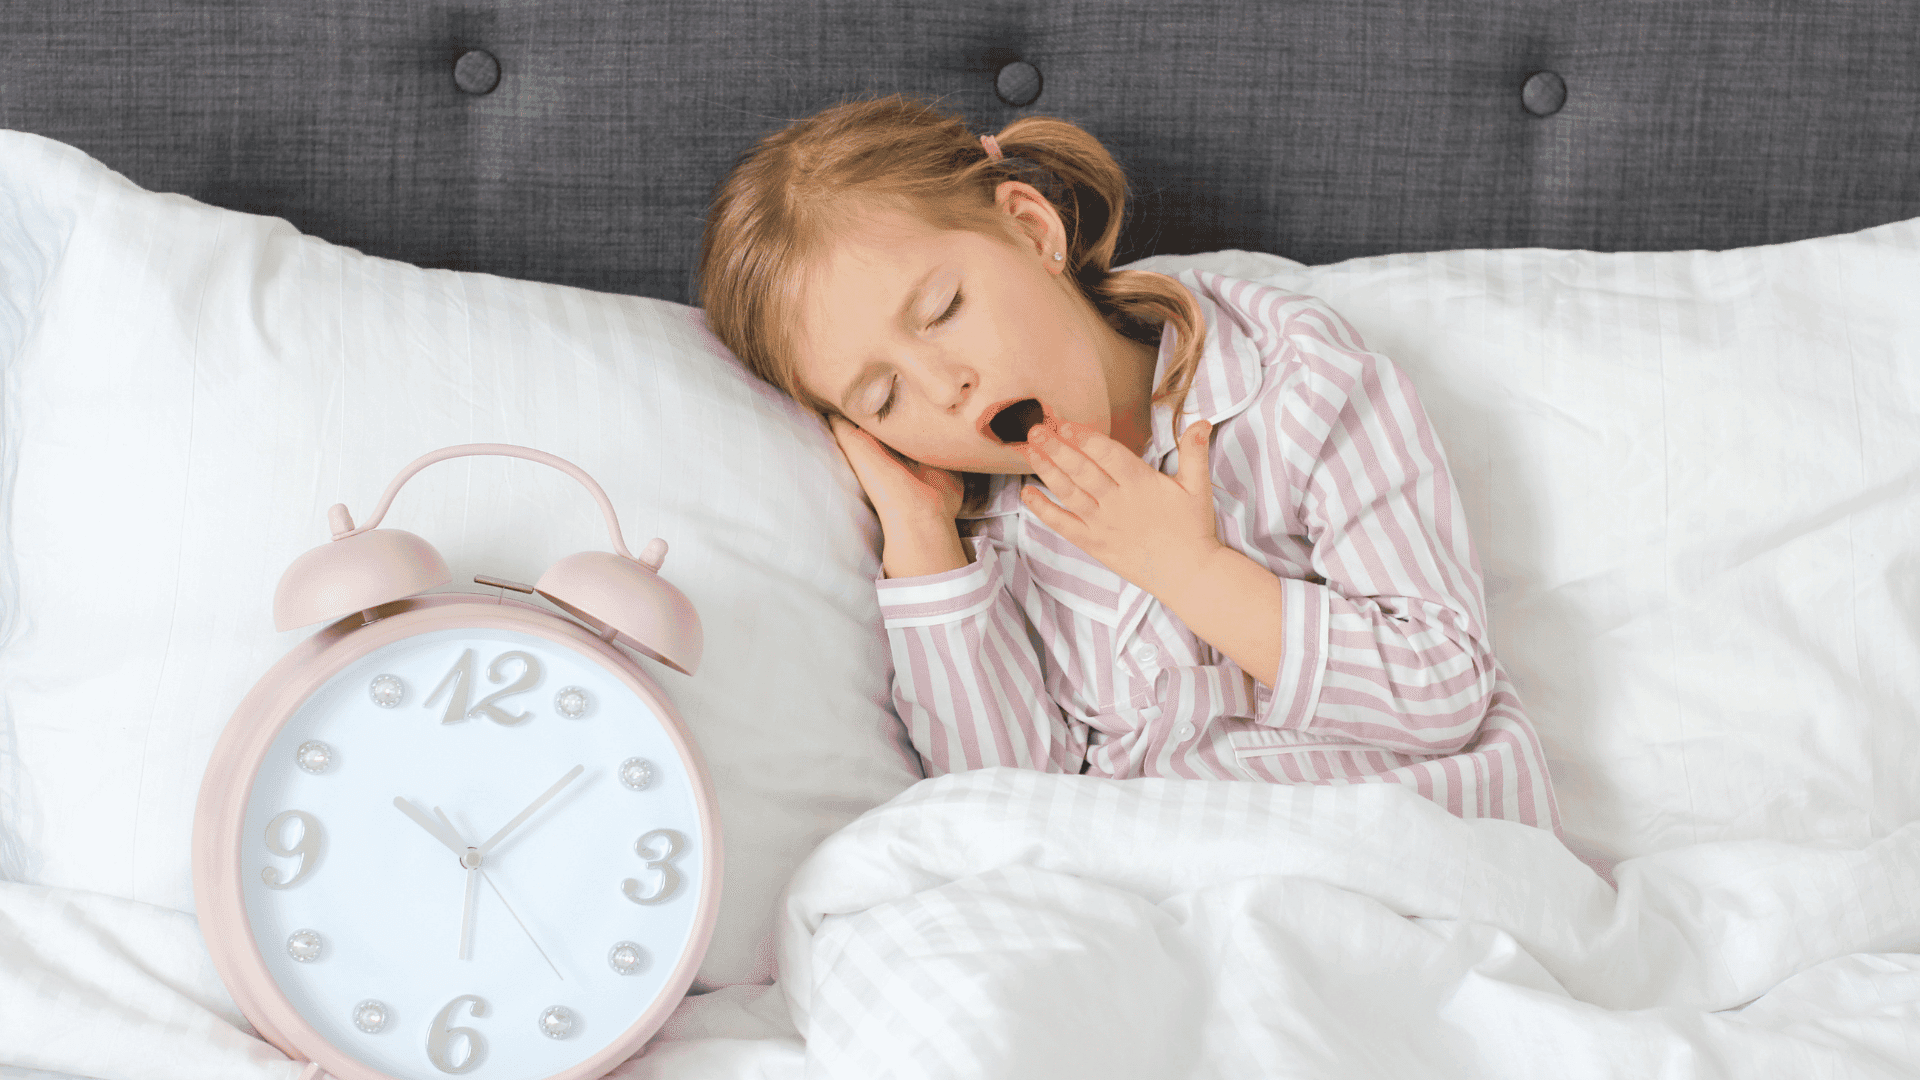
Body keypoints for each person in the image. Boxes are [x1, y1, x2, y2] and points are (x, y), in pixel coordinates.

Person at [696, 92, 1558, 832]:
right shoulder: (989, 532)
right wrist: (923, 541)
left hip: (1397, 835)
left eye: (945, 309)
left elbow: (1442, 690)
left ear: (1031, 229)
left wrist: (1190, 571)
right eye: (884, 400)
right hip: (1169, 889)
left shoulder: (1298, 385)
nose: (945, 387)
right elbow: (999, 803)